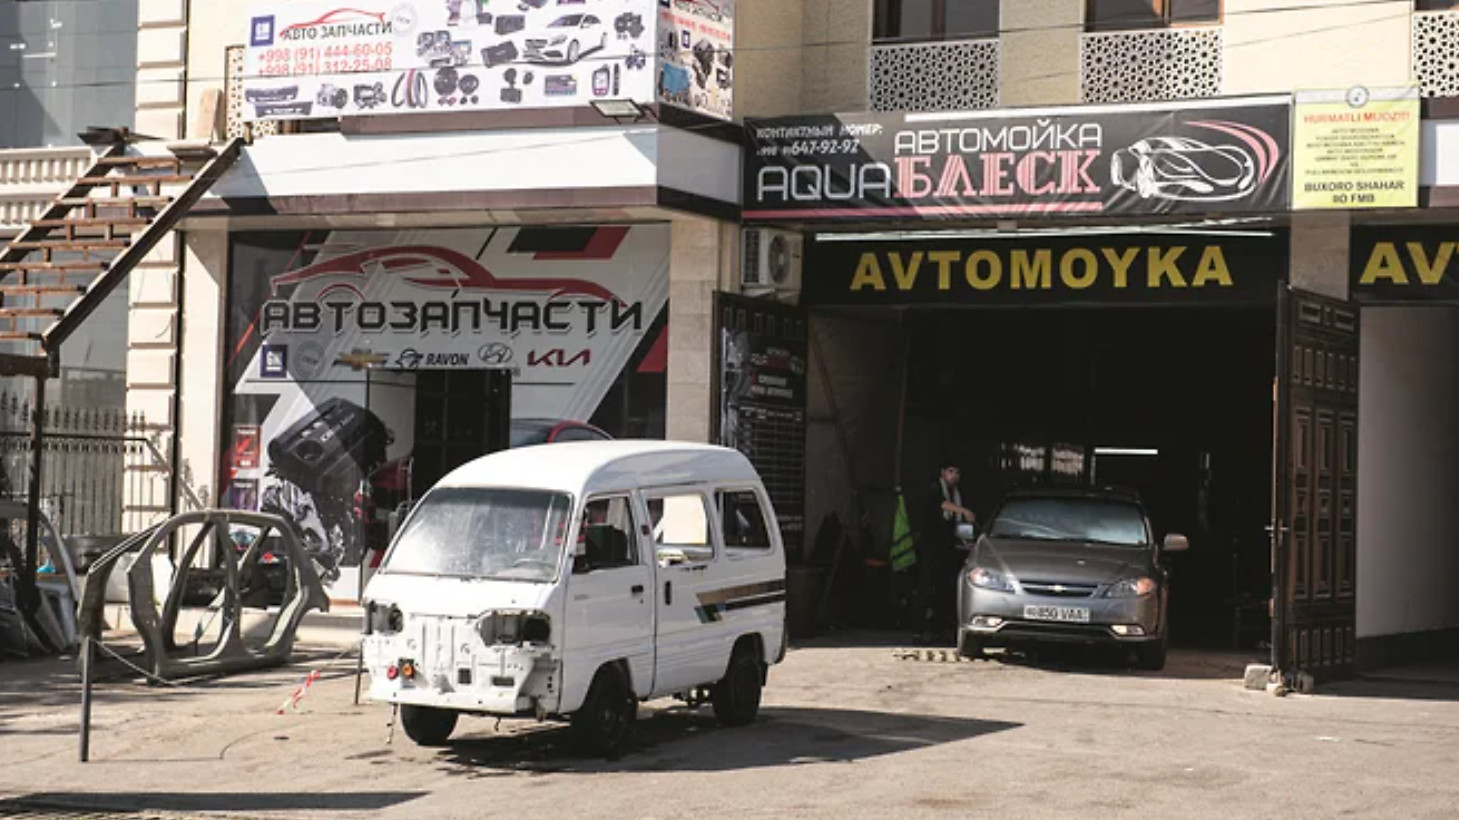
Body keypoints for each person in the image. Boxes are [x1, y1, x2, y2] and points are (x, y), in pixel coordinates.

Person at [915, 460, 975, 645]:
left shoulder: (956, 493)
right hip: (930, 546)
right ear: (942, 472)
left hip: (946, 548)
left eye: (957, 473)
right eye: (950, 472)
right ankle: (921, 628)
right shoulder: (934, 488)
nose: (954, 476)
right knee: (927, 586)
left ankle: (941, 628)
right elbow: (941, 504)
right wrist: (963, 511)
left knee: (944, 588)